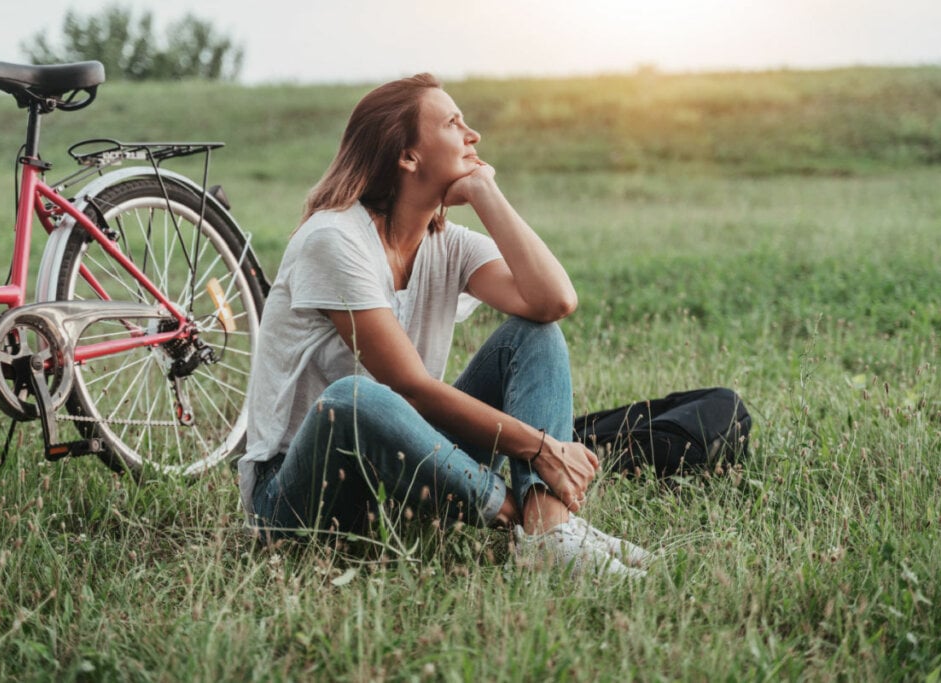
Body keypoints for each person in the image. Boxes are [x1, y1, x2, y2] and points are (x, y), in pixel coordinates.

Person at [238, 73, 650, 577]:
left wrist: (484, 192)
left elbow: (553, 301)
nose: (473, 135)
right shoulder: (333, 239)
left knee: (533, 336)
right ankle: (528, 518)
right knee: (354, 398)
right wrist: (541, 448)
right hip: (299, 497)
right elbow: (408, 388)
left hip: (401, 472)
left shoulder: (448, 243)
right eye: (455, 123)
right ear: (408, 157)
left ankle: (549, 535)